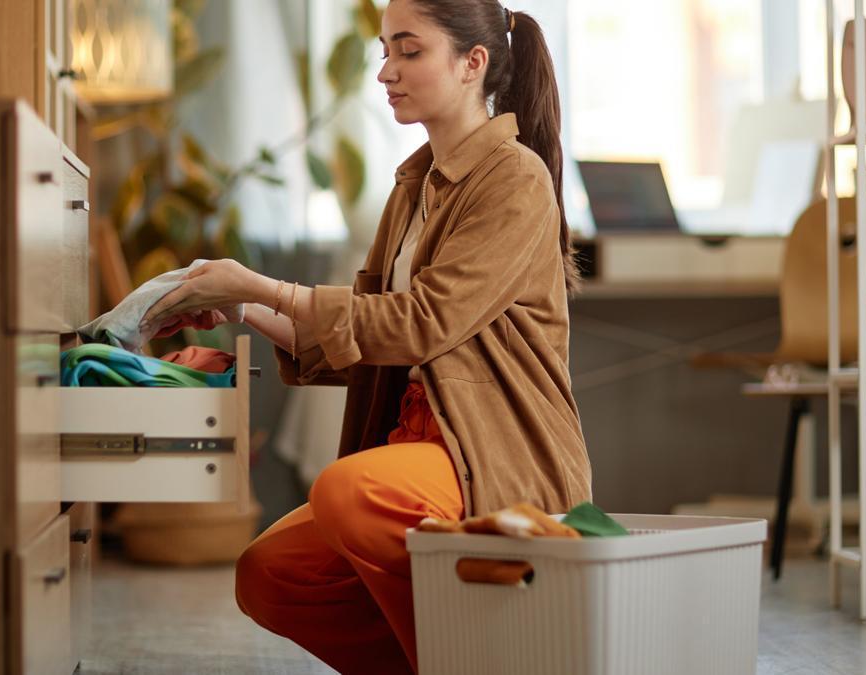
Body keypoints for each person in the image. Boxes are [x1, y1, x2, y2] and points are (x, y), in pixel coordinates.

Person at [142, 0, 591, 671]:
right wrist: (243, 306)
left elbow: (420, 324)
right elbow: (368, 336)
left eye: (409, 51)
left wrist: (262, 285)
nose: (386, 71)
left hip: (493, 453)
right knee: (269, 572)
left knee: (346, 490)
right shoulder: (412, 189)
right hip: (414, 443)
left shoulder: (515, 180)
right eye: (385, 50)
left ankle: (477, 660)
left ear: (473, 64)